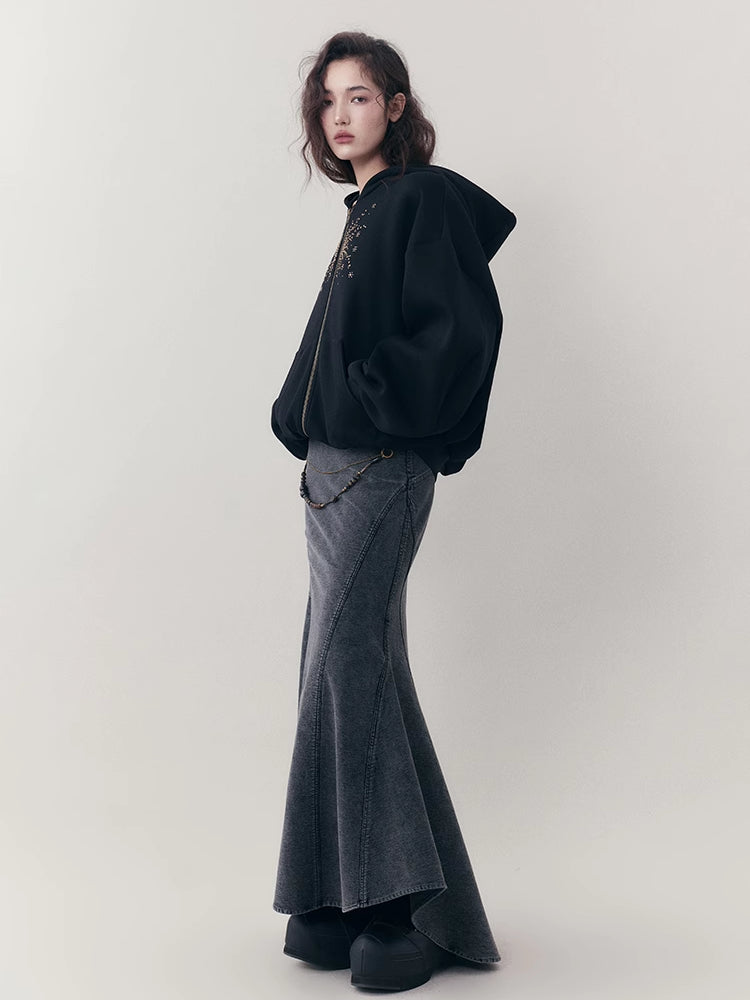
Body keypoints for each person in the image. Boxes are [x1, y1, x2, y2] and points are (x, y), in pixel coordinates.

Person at [270, 30, 516, 993]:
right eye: (328, 100)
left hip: (380, 467)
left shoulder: (424, 199)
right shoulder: (365, 210)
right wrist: (301, 413)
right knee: (337, 669)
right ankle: (344, 895)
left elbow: (463, 331)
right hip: (332, 471)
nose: (341, 115)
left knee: (349, 663)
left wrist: (371, 399)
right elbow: (332, 345)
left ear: (397, 107)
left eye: (360, 97)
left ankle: (406, 907)